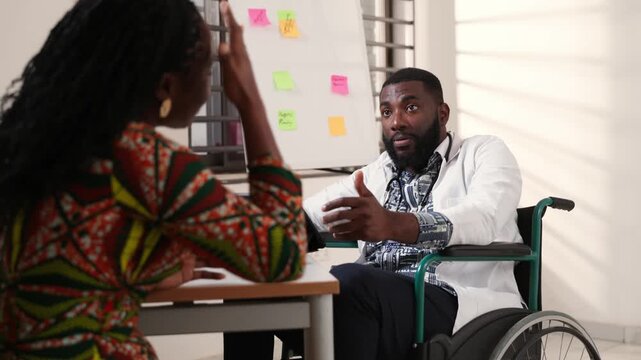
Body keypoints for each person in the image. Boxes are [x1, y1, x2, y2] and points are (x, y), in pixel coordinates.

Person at [0, 1, 306, 359]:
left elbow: (60, 265)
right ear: (165, 86)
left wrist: (141, 272)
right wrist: (250, 100)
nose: (213, 85)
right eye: (209, 70)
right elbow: (283, 255)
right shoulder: (141, 158)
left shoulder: (40, 145)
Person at [225, 67, 523, 360]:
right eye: (386, 112)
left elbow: (484, 216)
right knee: (252, 279)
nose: (397, 122)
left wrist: (393, 224)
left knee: (350, 283)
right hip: (373, 300)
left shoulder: (482, 152)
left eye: (411, 107)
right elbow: (311, 214)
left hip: (449, 295)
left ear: (442, 114)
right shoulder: (378, 171)